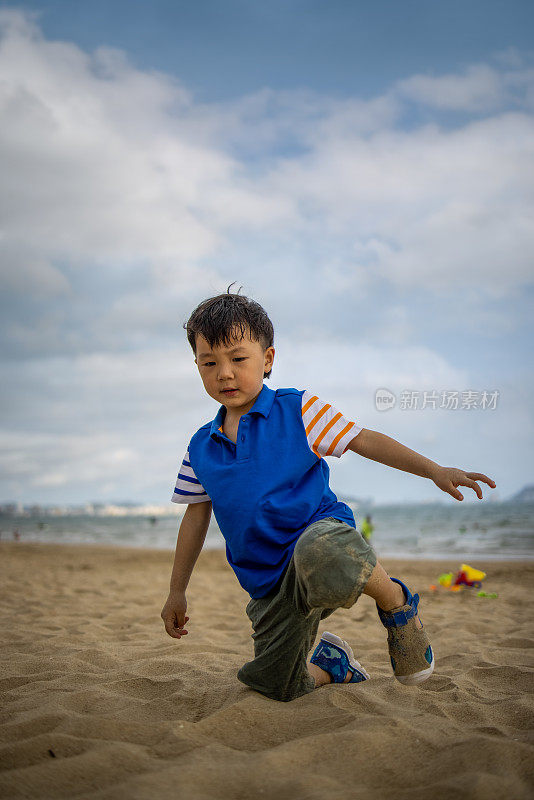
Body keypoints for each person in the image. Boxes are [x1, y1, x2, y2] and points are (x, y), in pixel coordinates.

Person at [161, 285, 496, 702]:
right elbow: (195, 517)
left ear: (267, 360)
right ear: (197, 365)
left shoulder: (298, 409)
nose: (224, 373)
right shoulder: (200, 447)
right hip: (266, 582)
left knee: (322, 551)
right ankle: (334, 664)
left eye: (238, 359)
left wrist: (434, 470)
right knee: (276, 687)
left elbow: (363, 439)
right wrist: (177, 590)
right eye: (209, 362)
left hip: (321, 542)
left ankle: (397, 602)